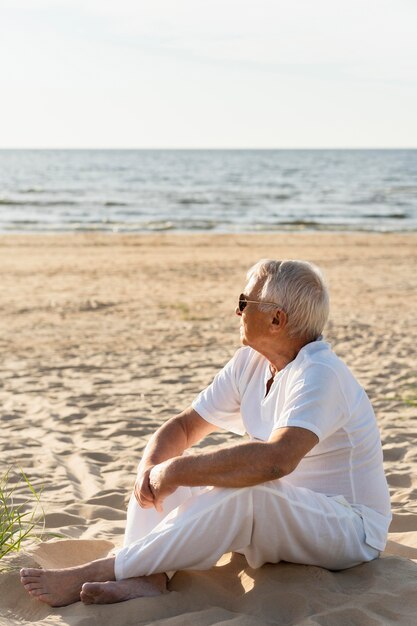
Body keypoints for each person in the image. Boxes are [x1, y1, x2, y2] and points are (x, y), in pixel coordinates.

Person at [20, 259, 391, 607]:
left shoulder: (320, 374)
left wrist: (177, 470)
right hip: (290, 514)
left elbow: (277, 462)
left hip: (350, 530)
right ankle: (146, 577)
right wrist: (154, 470)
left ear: (276, 319)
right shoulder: (251, 361)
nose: (237, 311)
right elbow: (183, 427)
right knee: (166, 465)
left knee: (247, 490)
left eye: (245, 302)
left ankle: (110, 567)